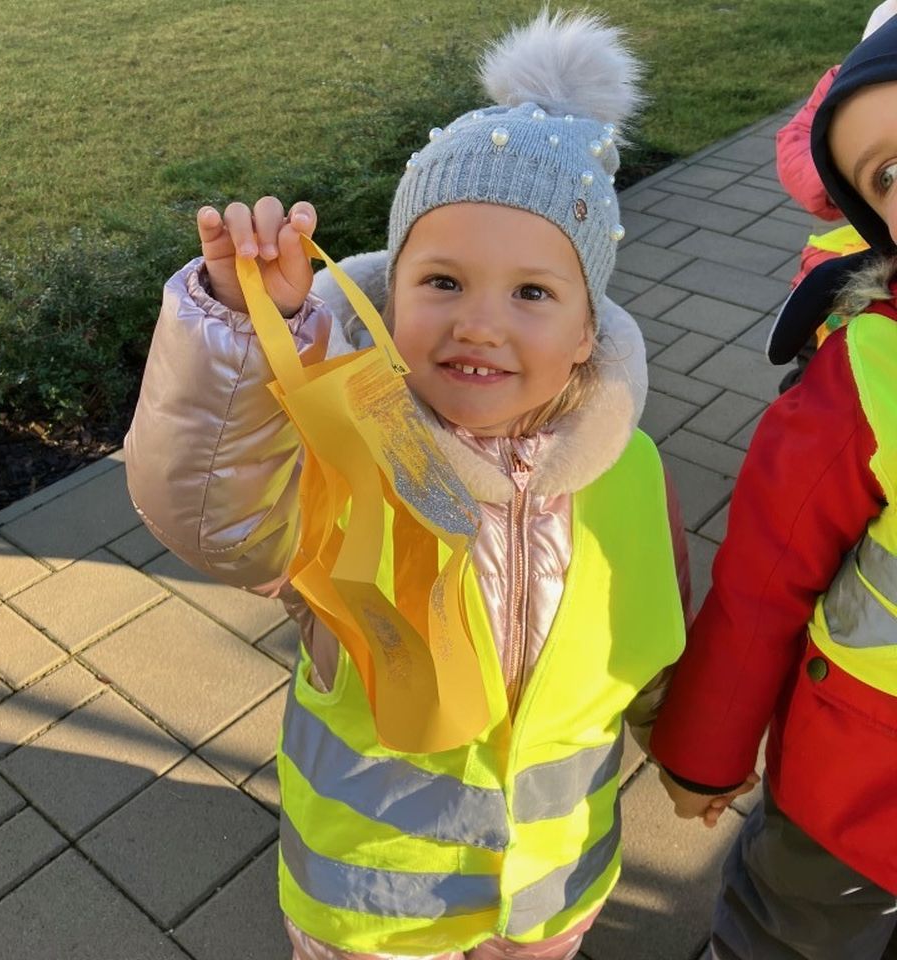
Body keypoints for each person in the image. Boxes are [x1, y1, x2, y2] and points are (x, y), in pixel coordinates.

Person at [125, 10, 720, 959]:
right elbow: (218, 522)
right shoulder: (346, 451)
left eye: (532, 293)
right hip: (372, 895)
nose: (479, 324)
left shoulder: (631, 468)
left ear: (585, 335)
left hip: (551, 886)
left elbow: (652, 635)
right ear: (387, 300)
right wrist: (242, 345)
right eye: (441, 282)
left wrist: (693, 749)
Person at [651, 16, 897, 960]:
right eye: (890, 175)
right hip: (859, 798)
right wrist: (704, 753)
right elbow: (761, 577)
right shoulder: (865, 378)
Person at [773, 3, 895, 392]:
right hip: (852, 237)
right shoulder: (843, 80)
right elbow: (794, 142)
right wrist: (836, 181)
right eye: (891, 175)